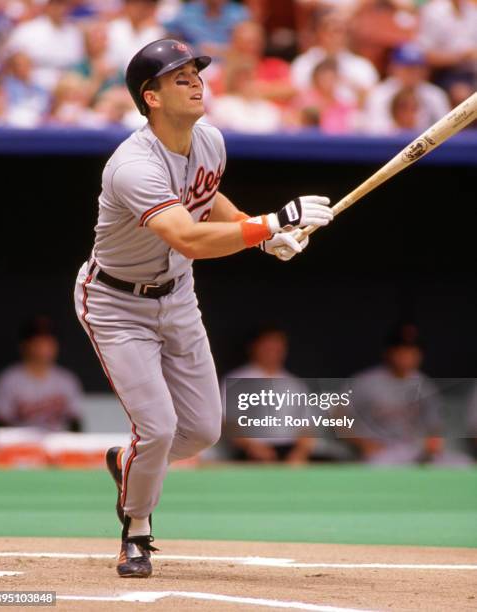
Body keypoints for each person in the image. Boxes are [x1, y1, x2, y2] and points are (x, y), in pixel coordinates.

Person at [74, 38, 333, 579]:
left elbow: (207, 195)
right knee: (159, 428)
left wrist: (262, 236)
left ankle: (128, 466)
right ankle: (137, 531)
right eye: (178, 78)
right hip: (116, 302)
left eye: (195, 72)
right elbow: (188, 236)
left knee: (202, 431)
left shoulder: (209, 139)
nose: (195, 82)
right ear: (151, 97)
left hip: (176, 292)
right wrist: (270, 221)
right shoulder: (131, 166)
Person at [341, 323, 444, 465]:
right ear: (388, 351)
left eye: (412, 350)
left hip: (414, 450)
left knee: (462, 465)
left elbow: (434, 427)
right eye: (401, 349)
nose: (406, 355)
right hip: (380, 450)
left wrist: (433, 443)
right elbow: (338, 417)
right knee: (379, 466)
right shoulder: (364, 382)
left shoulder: (425, 385)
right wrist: (362, 443)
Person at [223, 325, 314, 464]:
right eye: (267, 345)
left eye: (277, 346)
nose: (272, 351)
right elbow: (227, 422)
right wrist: (252, 447)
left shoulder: (295, 384)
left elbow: (307, 425)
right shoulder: (236, 380)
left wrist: (300, 453)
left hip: (288, 451)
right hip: (249, 453)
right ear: (253, 347)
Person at [0, 317, 83, 432]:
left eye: (48, 340)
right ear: (25, 345)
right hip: (19, 445)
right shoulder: (8, 380)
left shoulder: (67, 380)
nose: (44, 346)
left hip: (56, 445)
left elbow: (75, 422)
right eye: (38, 341)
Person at [363, 43, 450, 134]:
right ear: (393, 68)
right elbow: (375, 131)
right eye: (407, 68)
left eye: (417, 68)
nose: (413, 73)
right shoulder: (380, 94)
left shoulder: (435, 94)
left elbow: (447, 130)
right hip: (388, 144)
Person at [5, 0, 84, 91]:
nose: (61, 9)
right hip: (33, 88)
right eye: (56, 5)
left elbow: (78, 66)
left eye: (64, 5)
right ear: (47, 6)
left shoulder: (74, 33)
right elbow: (10, 64)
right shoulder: (27, 30)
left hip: (67, 89)